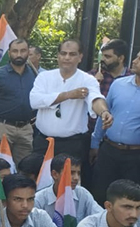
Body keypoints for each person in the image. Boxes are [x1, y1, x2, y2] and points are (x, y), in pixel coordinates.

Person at [31, 40, 112, 191]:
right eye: (63, 53)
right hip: (43, 142)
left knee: (68, 187)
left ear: (80, 57)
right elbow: (34, 101)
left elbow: (95, 98)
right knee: (39, 184)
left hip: (72, 144)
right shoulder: (44, 77)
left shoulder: (87, 79)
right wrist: (68, 95)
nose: (67, 58)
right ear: (58, 56)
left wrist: (104, 112)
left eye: (72, 54)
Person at [91, 50, 140, 204]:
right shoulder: (118, 84)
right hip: (108, 151)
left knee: (130, 199)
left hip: (135, 156)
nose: (134, 61)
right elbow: (104, 115)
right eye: (137, 57)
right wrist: (94, 143)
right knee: (100, 194)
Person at [0, 39, 37, 166]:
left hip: (26, 129)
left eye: (23, 51)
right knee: (0, 166)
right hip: (2, 127)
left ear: (28, 52)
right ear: (9, 53)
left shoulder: (34, 74)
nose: (19, 54)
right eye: (15, 51)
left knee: (24, 167)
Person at [35, 154, 102, 223]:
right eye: (71, 173)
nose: (76, 178)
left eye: (78, 173)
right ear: (55, 174)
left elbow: (101, 217)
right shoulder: (39, 199)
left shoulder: (82, 194)